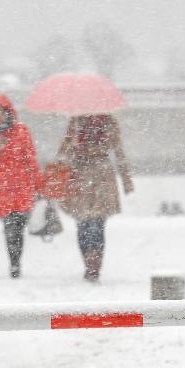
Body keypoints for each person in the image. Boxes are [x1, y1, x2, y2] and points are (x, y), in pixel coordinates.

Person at [57, 114, 134, 282]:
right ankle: (89, 263)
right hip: (80, 175)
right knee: (83, 223)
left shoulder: (109, 122)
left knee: (97, 224)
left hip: (101, 176)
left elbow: (119, 152)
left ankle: (94, 266)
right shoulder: (76, 122)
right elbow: (64, 152)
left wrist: (126, 180)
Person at [0, 95, 40, 278]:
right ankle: (14, 264)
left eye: (3, 113)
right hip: (3, 188)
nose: (0, 117)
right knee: (9, 227)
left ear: (10, 113)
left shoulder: (22, 131)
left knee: (19, 226)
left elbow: (31, 158)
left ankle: (16, 258)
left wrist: (38, 184)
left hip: (23, 185)